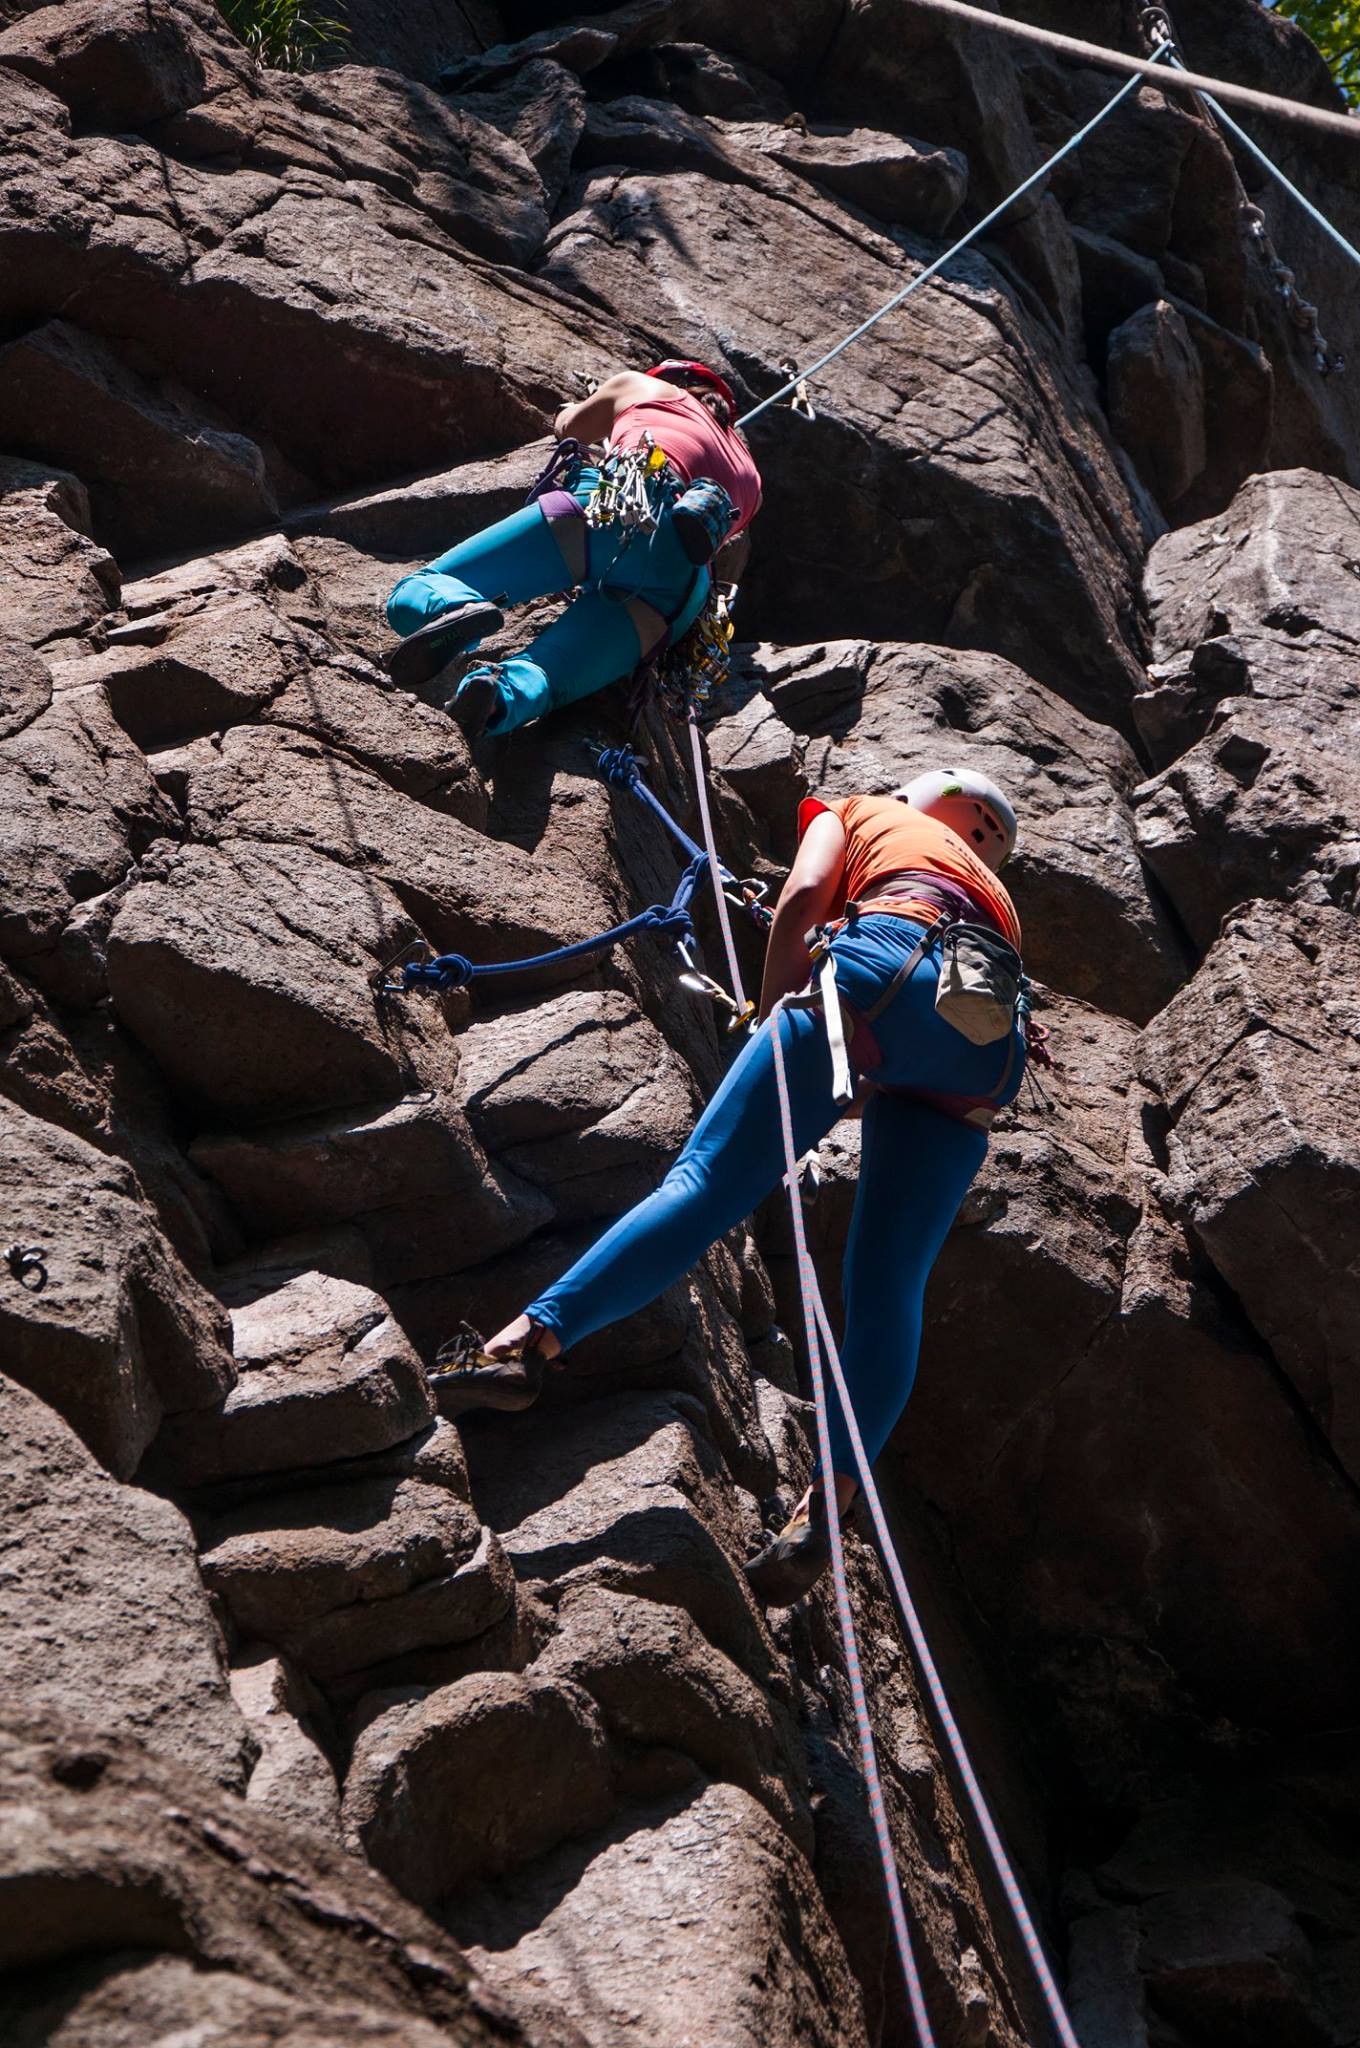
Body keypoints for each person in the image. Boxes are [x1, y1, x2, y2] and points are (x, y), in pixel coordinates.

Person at [436, 768, 1027, 1605]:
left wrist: (775, 1011)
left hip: (880, 968)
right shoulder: (996, 895)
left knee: (707, 1183)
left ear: (924, 796)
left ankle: (523, 1345)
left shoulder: (867, 812)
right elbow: (935, 1021)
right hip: (985, 1052)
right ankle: (831, 1505)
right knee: (891, 1289)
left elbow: (804, 896)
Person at [383, 361, 763, 740]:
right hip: (677, 586)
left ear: (671, 380)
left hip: (615, 506)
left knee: (417, 590)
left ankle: (450, 608)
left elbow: (571, 428)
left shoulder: (645, 387)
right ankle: (496, 695)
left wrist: (569, 411)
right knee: (548, 676)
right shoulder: (752, 481)